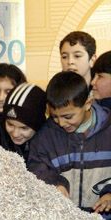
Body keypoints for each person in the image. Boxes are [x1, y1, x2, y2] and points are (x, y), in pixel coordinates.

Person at [28, 71, 111, 213]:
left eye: (68, 116)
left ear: (87, 104)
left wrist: (109, 193)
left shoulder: (108, 131)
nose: (61, 123)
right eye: (54, 116)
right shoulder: (45, 137)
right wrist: (55, 183)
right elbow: (36, 167)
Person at [1, 83, 46, 162]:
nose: (15, 134)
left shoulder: (48, 145)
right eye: (10, 124)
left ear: (38, 126)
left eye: (24, 128)